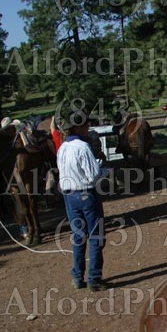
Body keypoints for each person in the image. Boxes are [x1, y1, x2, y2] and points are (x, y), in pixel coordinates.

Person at [56, 106, 107, 291]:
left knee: (78, 236)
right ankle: (94, 278)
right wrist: (104, 170)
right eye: (85, 124)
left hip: (69, 195)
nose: (87, 127)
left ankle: (78, 276)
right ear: (78, 128)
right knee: (96, 236)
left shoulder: (62, 147)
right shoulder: (82, 147)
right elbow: (93, 174)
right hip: (86, 194)